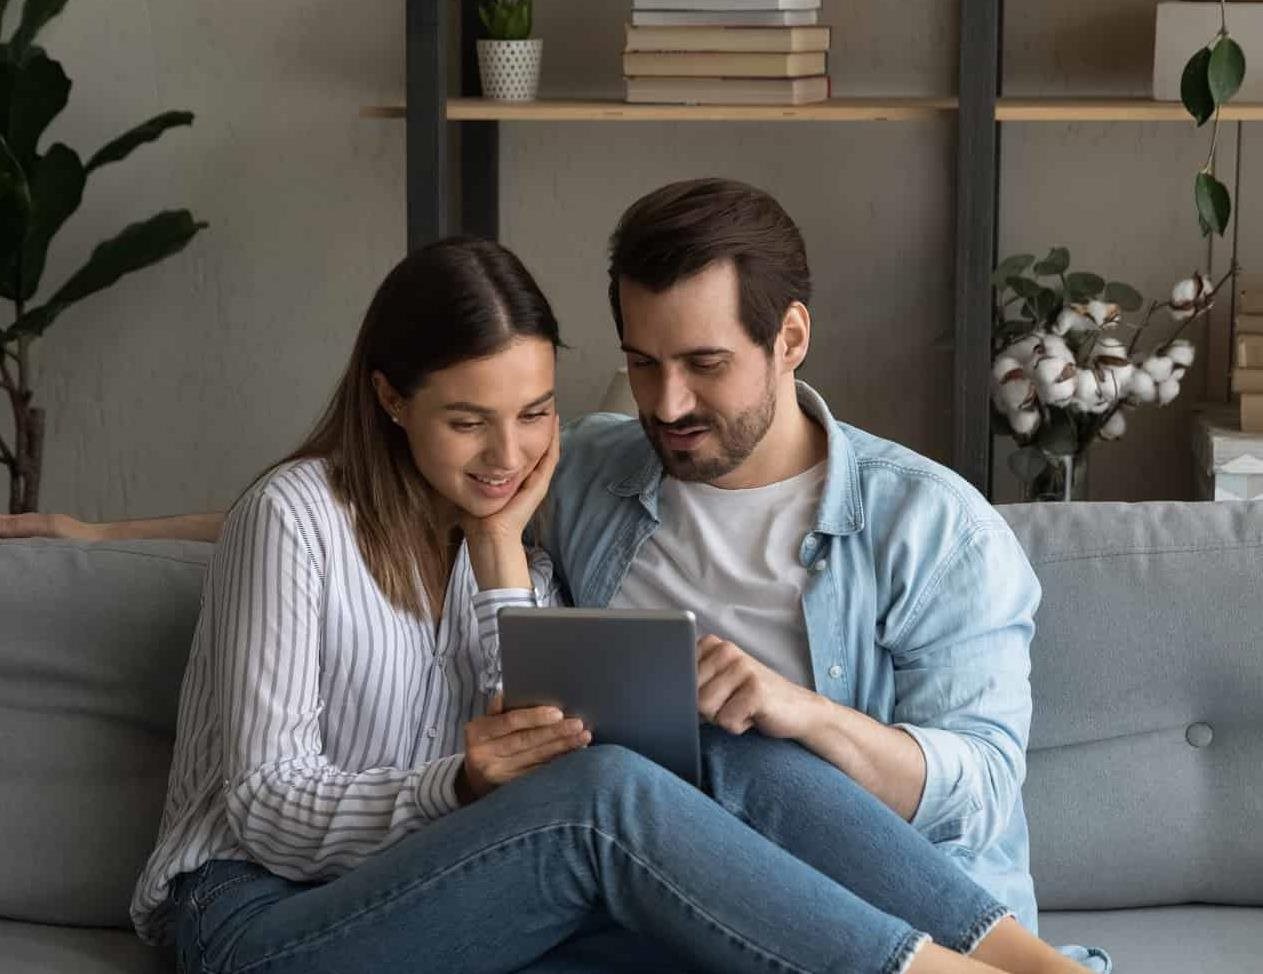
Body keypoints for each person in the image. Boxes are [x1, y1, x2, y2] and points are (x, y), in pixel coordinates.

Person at [1, 191, 1106, 973]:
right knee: (607, 789)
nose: (510, 450)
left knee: (716, 740)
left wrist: (497, 561)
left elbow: (520, 705)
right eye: (467, 419)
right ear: (393, 400)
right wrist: (462, 788)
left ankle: (1037, 967)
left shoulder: (528, 516)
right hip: (255, 915)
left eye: (533, 413)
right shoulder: (300, 516)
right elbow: (269, 808)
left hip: (440, 889)